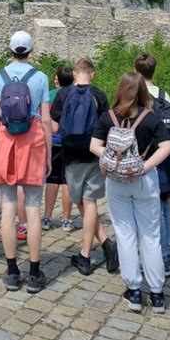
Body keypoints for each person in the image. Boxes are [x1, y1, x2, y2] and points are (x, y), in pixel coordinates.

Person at [91, 72, 170, 313]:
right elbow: (166, 147)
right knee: (151, 235)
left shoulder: (108, 118)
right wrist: (142, 167)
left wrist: (113, 162)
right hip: (144, 179)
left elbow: (94, 146)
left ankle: (134, 291)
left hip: (116, 181)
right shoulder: (150, 118)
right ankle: (157, 293)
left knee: (125, 234)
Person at [0, 31, 52, 293]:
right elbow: (46, 119)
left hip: (6, 142)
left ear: (11, 49)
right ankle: (35, 273)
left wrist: (0, 141)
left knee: (9, 208)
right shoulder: (40, 78)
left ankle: (12, 271)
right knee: (33, 208)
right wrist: (47, 153)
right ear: (30, 50)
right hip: (34, 141)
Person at [51, 59, 117, 276]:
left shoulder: (63, 94)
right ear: (92, 74)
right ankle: (105, 244)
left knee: (82, 203)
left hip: (71, 156)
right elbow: (108, 126)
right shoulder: (99, 95)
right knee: (89, 203)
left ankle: (86, 256)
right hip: (93, 154)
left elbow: (53, 126)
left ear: (74, 73)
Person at [134, 52, 170, 275]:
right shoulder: (165, 95)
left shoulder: (138, 95)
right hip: (166, 158)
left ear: (136, 71)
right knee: (164, 207)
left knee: (146, 211)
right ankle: (165, 256)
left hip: (147, 158)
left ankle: (152, 257)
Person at [42, 66, 74, 232]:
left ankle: (47, 217)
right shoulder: (77, 93)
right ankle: (66, 219)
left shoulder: (51, 95)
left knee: (52, 180)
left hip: (54, 142)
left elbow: (45, 120)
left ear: (57, 80)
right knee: (67, 181)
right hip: (71, 143)